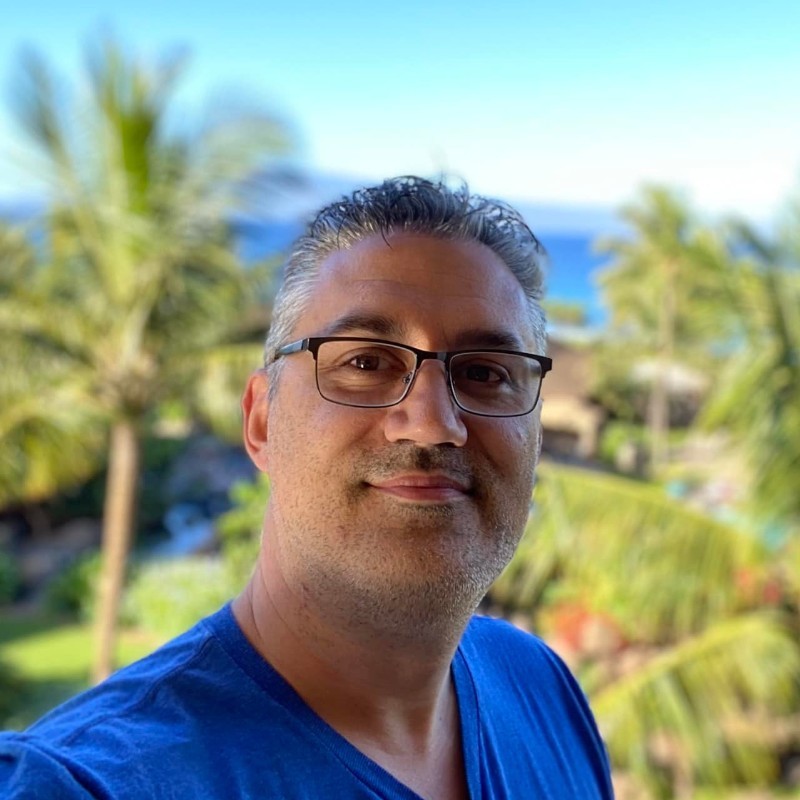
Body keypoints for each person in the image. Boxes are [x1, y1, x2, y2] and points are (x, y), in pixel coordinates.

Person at [0, 176, 614, 799]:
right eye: (366, 363)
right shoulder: (82, 784)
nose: (433, 422)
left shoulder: (540, 690)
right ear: (262, 422)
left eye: (486, 373)